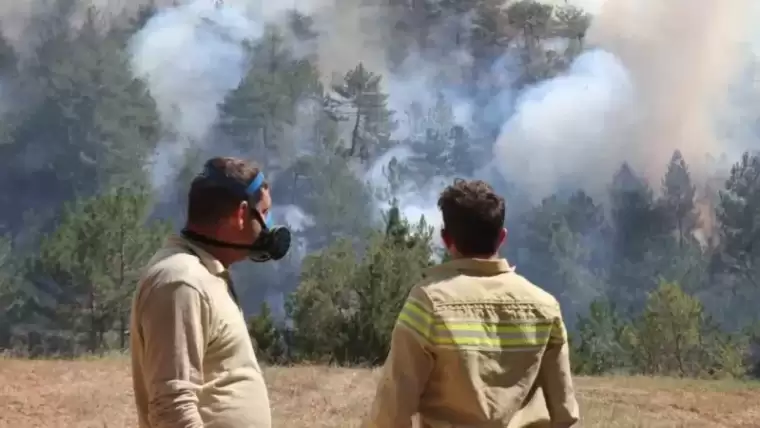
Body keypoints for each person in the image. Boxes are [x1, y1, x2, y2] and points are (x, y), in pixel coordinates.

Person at [364, 178, 580, 428]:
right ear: (501, 237)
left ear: (446, 239)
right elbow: (565, 414)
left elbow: (392, 410)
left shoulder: (427, 302)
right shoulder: (545, 307)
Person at [129, 156, 291, 428]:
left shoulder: (204, 274)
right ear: (241, 214)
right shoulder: (181, 283)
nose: (269, 225)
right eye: (264, 213)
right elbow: (173, 408)